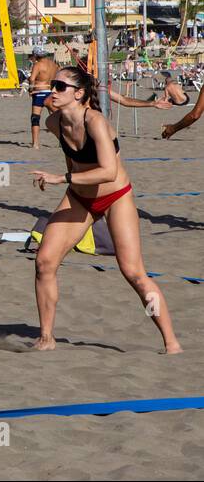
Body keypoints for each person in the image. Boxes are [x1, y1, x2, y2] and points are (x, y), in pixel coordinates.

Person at [30, 67, 181, 353]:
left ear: (79, 93)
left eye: (60, 86)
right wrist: (68, 180)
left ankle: (171, 342)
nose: (53, 90)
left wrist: (61, 178)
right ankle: (46, 338)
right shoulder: (54, 122)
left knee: (133, 272)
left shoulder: (96, 122)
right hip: (79, 197)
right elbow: (72, 159)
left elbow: (108, 172)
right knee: (44, 262)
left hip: (115, 197)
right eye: (53, 85)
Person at [25, 47, 59, 149]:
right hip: (50, 92)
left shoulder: (38, 64)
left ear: (36, 55)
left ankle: (35, 144)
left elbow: (32, 79)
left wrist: (30, 90)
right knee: (57, 118)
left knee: (35, 118)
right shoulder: (53, 64)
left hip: (39, 92)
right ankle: (62, 140)